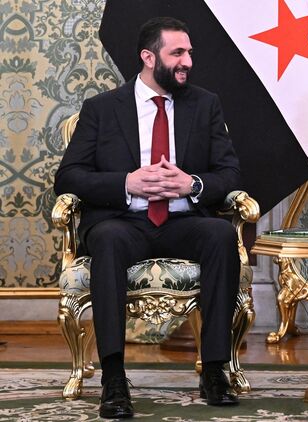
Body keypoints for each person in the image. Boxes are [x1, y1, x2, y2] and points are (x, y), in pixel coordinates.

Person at [55, 17, 243, 419]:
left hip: (182, 222)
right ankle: (114, 379)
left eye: (189, 52)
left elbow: (229, 174)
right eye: (178, 53)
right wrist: (127, 182)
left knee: (221, 235)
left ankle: (214, 370)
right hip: (124, 222)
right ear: (148, 57)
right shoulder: (102, 109)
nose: (187, 61)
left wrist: (190, 184)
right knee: (106, 240)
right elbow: (68, 177)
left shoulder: (205, 104)